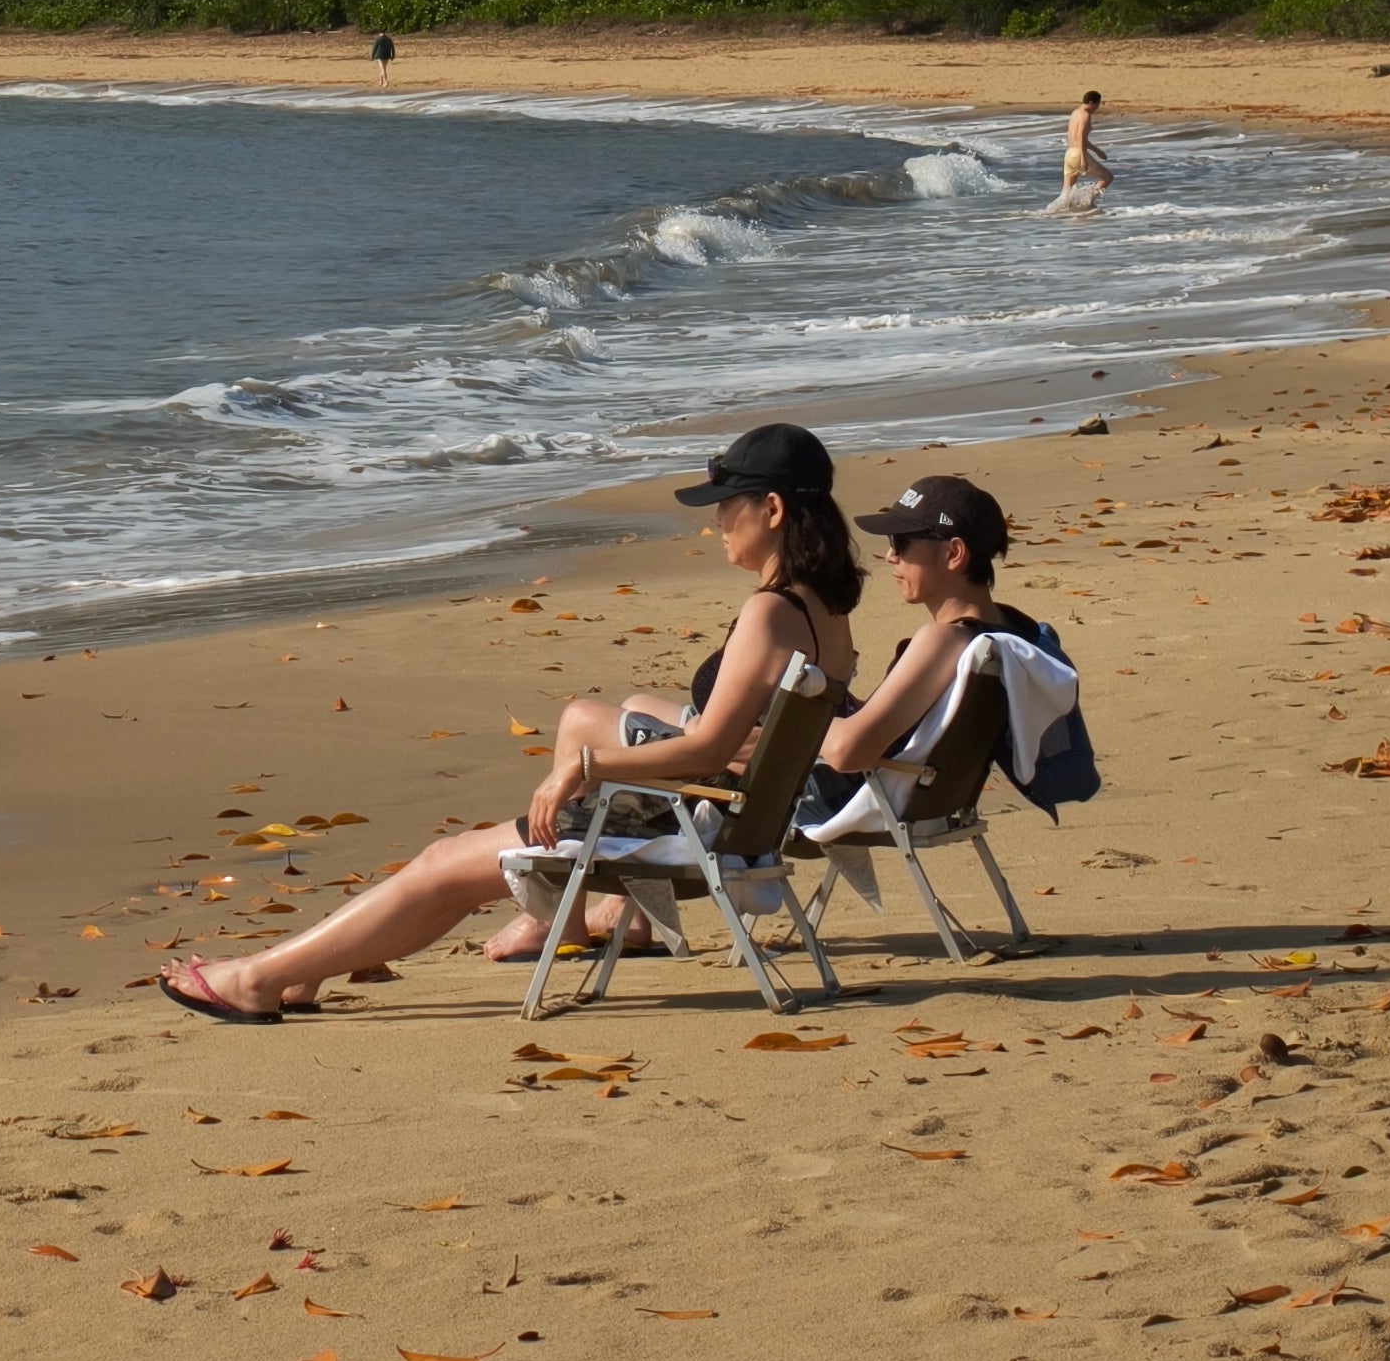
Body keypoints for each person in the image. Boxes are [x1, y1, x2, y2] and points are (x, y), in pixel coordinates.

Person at [157, 421, 862, 1024]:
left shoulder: (771, 612)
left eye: (726, 506)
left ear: (770, 509)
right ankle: (304, 969)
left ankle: (257, 980)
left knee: (443, 867)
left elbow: (707, 745)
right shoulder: (825, 613)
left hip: (686, 821)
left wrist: (581, 769)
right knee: (458, 870)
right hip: (732, 821)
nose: (716, 522)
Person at [803, 472, 1046, 819]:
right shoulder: (1011, 632)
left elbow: (846, 752)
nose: (890, 555)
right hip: (936, 799)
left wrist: (789, 727)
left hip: (863, 801)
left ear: (953, 553)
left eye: (901, 542)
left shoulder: (943, 640)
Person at [1059, 89, 1112, 212]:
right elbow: (1081, 137)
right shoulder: (1085, 115)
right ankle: (1087, 203)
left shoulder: (1075, 112)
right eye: (1098, 105)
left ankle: (1057, 213)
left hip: (1069, 154)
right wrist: (1083, 157)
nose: (1097, 108)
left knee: (1065, 192)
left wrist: (1097, 150)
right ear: (1091, 103)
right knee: (1108, 177)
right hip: (1078, 154)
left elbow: (1076, 138)